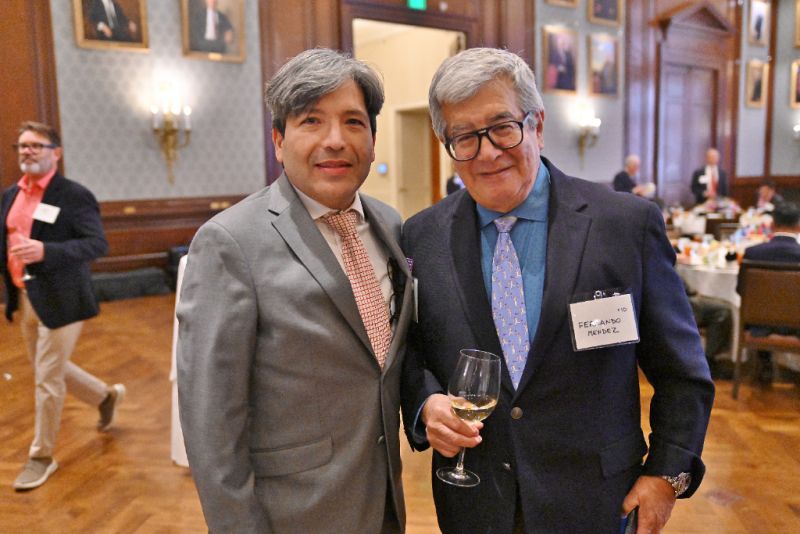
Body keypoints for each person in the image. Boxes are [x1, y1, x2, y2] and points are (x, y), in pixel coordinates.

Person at [400, 48, 714, 534]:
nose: (487, 152)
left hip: (598, 501)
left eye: (502, 127)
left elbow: (683, 372)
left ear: (537, 124)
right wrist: (425, 406)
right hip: (475, 502)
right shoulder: (422, 237)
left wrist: (666, 475)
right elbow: (412, 353)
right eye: (465, 137)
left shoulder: (623, 225)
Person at [177, 48, 414, 533]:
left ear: (372, 140)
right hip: (293, 513)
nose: (335, 140)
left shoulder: (389, 224)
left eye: (353, 122)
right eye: (311, 121)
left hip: (384, 499)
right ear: (279, 141)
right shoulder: (230, 242)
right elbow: (210, 422)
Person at [1, 121, 124, 491]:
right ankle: (105, 396)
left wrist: (46, 251)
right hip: (26, 296)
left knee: (47, 377)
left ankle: (41, 457)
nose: (27, 151)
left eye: (36, 145)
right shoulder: (10, 195)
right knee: (48, 367)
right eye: (22, 146)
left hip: (63, 298)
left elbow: (96, 244)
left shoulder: (73, 195)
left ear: (56, 153)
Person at [736, 201, 800, 384]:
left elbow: (740, 290)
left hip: (758, 327)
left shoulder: (752, 253)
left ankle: (764, 361)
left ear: (772, 225)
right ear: (798, 226)